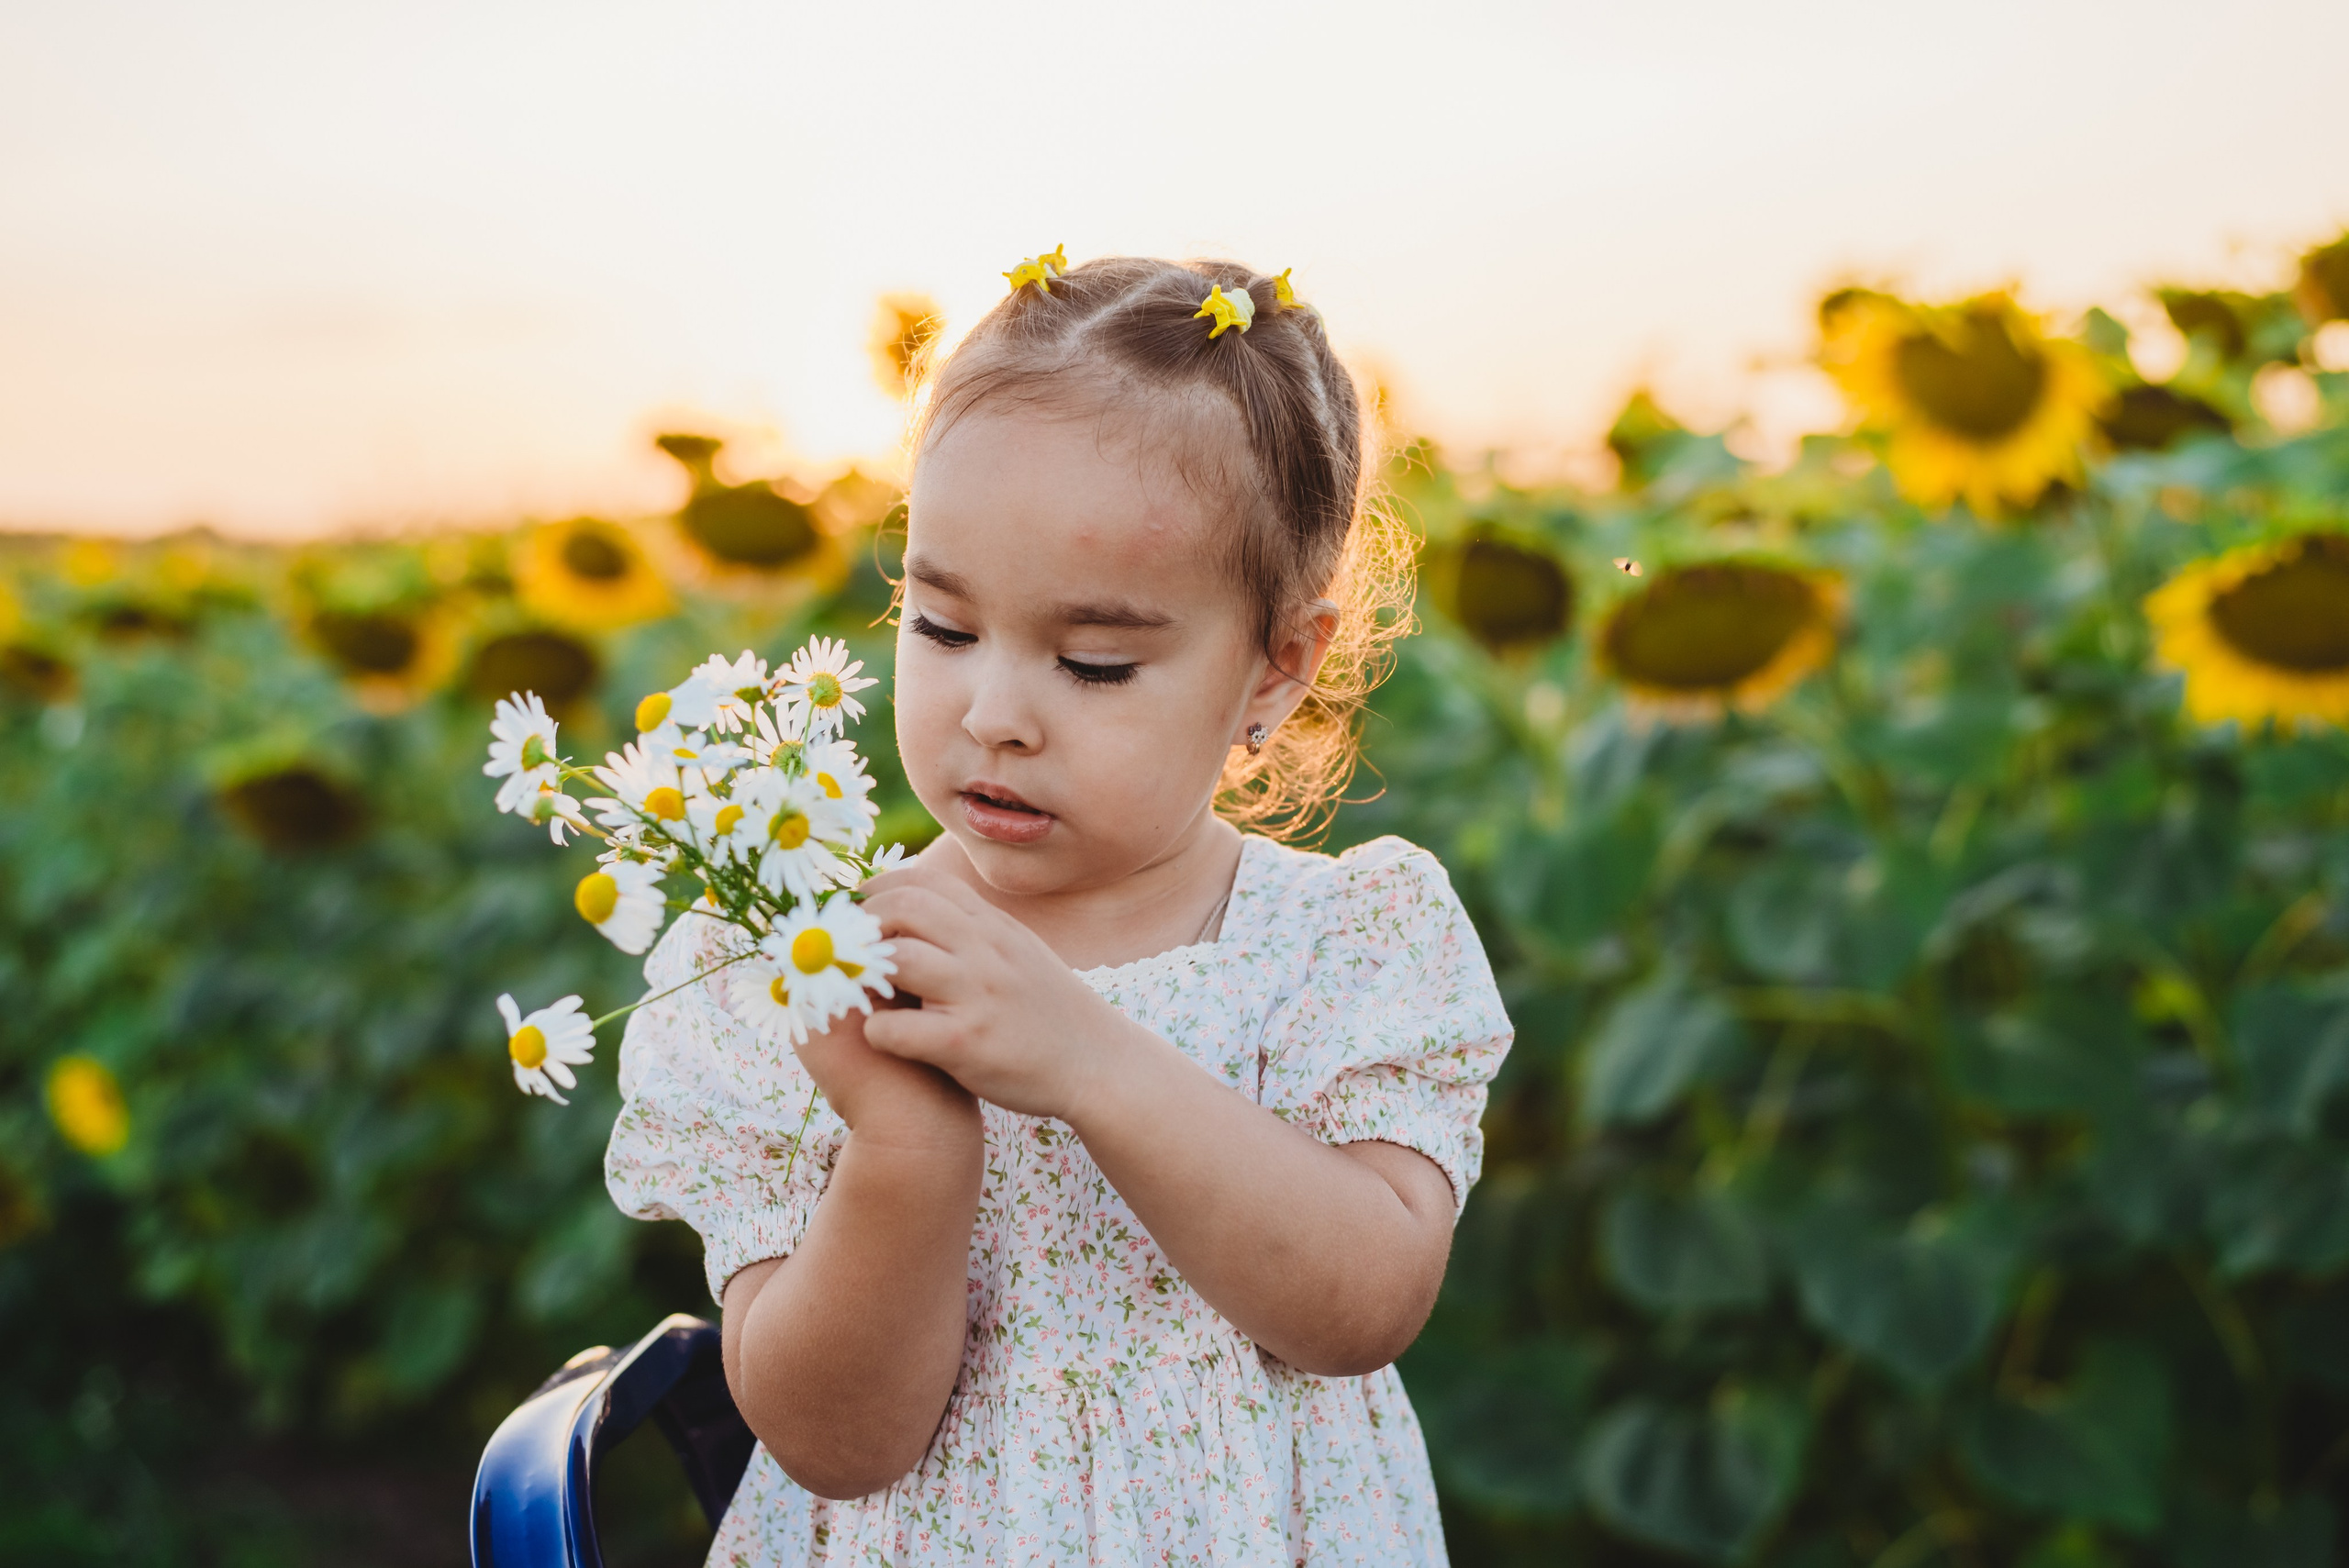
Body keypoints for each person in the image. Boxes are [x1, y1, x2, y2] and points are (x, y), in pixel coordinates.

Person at [606, 253, 1513, 1566]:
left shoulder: (1342, 942)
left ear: (1277, 664)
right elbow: (835, 1444)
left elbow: (1360, 1305)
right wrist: (905, 1140)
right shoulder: (818, 970)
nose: (995, 715)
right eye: (942, 625)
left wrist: (1085, 1056)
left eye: (1094, 662)